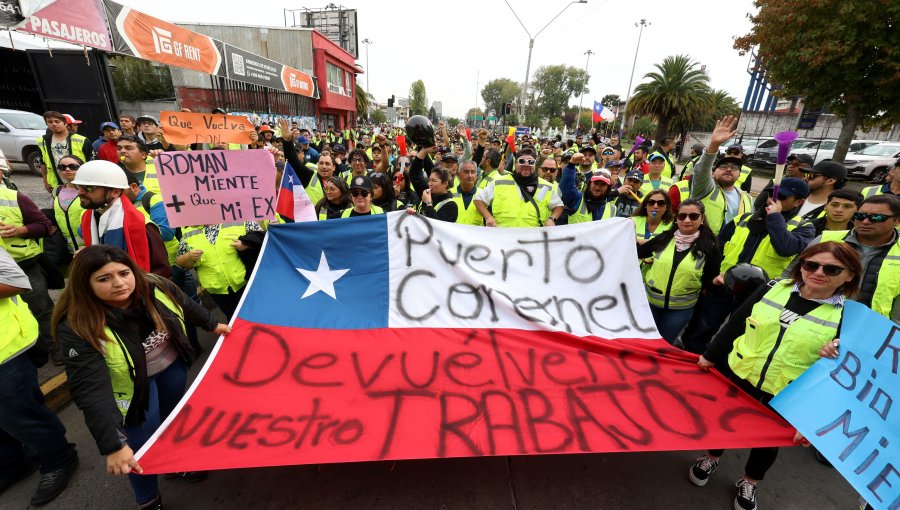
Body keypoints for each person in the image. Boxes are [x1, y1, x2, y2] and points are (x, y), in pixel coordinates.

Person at [54, 245, 230, 510]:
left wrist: (212, 324)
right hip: (134, 390)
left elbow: (184, 303)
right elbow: (90, 390)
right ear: (84, 285)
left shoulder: (154, 284)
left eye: (124, 273)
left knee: (171, 424)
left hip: (172, 368)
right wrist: (113, 446)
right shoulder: (78, 325)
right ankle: (148, 499)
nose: (118, 284)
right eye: (104, 279)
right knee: (140, 446)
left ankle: (175, 467)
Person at [691, 242, 862, 510]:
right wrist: (711, 354)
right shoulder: (773, 288)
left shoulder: (850, 317)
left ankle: (750, 482)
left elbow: (839, 374)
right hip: (740, 374)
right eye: (810, 264)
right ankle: (710, 457)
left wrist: (834, 354)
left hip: (787, 392)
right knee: (724, 420)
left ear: (849, 275)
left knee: (768, 441)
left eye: (831, 269)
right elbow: (737, 320)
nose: (818, 272)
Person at [681, 177, 815, 354]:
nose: (773, 200)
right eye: (771, 194)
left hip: (759, 294)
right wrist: (711, 279)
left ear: (799, 201)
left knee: (739, 336)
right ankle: (689, 356)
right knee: (702, 328)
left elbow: (786, 248)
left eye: (781, 197)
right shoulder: (743, 219)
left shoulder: (804, 227)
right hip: (724, 285)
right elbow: (717, 250)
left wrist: (775, 217)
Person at [0, 244, 79, 506]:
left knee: (22, 415)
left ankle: (57, 459)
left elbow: (16, 281)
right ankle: (12, 465)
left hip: (6, 349)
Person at [797, 194, 900, 323]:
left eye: (876, 217)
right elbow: (792, 276)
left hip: (868, 327)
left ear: (897, 221)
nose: (866, 221)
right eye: (860, 216)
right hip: (812, 319)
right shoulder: (825, 239)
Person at [637, 199, 721, 344]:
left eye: (693, 216)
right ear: (676, 219)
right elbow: (639, 252)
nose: (687, 220)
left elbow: (710, 278)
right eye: (682, 216)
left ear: (702, 219)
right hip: (650, 305)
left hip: (680, 310)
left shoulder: (710, 246)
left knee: (662, 345)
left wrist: (716, 281)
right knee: (642, 341)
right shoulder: (664, 238)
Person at [74, 161, 172, 279]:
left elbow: (160, 273)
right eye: (78, 187)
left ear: (115, 192)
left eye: (88, 188)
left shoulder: (143, 226)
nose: (80, 192)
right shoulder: (89, 218)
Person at [0, 178, 55, 365]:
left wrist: (21, 230)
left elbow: (45, 226)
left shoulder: (14, 198)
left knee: (41, 310)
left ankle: (55, 351)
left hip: (24, 267)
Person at [175, 219, 263, 319]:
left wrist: (247, 244)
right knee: (234, 320)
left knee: (257, 316)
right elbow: (180, 262)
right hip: (217, 290)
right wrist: (189, 257)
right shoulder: (189, 232)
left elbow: (263, 239)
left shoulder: (239, 219)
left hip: (247, 284)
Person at [690, 116, 754, 235]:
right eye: (723, 166)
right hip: (706, 246)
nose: (729, 169)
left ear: (739, 174)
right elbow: (701, 169)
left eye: (734, 167)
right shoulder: (705, 188)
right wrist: (714, 145)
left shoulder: (748, 198)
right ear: (713, 172)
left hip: (732, 250)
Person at [475, 148, 564, 227]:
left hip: (531, 238)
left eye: (530, 162)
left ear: (535, 165)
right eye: (522, 161)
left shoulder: (546, 186)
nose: (526, 165)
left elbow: (559, 206)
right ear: (515, 163)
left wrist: (552, 219)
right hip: (502, 237)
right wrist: (488, 217)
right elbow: (478, 199)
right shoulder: (499, 182)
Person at [37, 111, 93, 193]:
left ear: (65, 123)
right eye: (50, 122)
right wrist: (45, 182)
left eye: (57, 121)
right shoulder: (42, 141)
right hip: (57, 184)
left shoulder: (82, 140)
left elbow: (91, 162)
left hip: (80, 183)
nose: (54, 124)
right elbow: (43, 163)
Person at [560, 153, 615, 223]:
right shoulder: (577, 200)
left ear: (608, 188)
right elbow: (566, 188)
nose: (597, 187)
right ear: (590, 183)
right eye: (595, 183)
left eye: (603, 184)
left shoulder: (613, 210)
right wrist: (571, 165)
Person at [51, 155, 86, 254]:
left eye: (72, 166)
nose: (67, 169)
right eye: (62, 167)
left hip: (88, 248)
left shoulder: (90, 190)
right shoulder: (56, 191)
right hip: (66, 250)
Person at [452, 160, 484, 226]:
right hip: (453, 235)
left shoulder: (483, 195)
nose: (470, 175)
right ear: (458, 175)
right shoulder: (449, 193)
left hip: (475, 235)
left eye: (473, 172)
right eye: (466, 172)